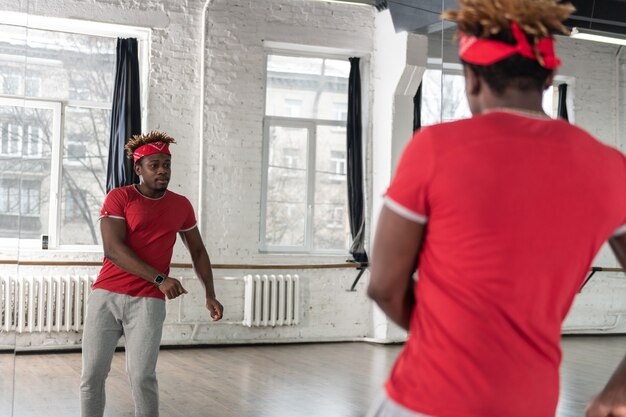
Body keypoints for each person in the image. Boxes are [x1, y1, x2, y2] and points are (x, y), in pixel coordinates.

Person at [366, 1, 626, 416]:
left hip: (429, 398)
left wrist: (451, 338)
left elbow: (383, 287)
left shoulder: (435, 150)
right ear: (550, 76)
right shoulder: (611, 168)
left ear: (471, 79)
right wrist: (620, 389)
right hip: (531, 402)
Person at [80, 130, 223, 417]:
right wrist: (160, 278)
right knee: (92, 376)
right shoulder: (119, 198)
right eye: (154, 165)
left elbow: (197, 250)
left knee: (143, 377)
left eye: (166, 165)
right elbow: (113, 250)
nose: (162, 171)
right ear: (138, 168)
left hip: (148, 302)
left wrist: (210, 294)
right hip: (106, 296)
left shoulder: (180, 205)